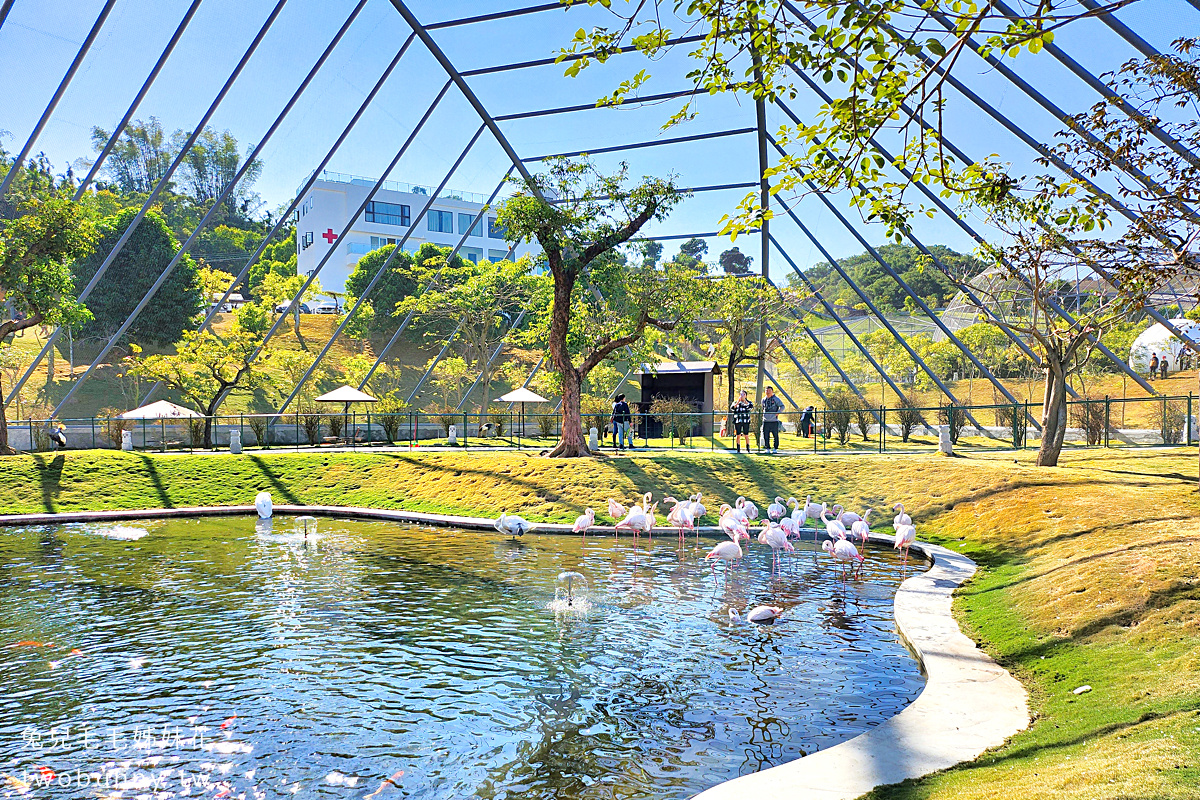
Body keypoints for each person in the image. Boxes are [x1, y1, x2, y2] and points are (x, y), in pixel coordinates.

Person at [761, 386, 784, 453]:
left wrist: (778, 412)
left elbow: (782, 406)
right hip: (766, 420)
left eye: (769, 390)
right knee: (766, 435)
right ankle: (767, 448)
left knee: (775, 435)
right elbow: (762, 408)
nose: (767, 392)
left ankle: (775, 448)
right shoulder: (763, 400)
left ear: (772, 391)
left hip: (774, 420)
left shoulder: (776, 399)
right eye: (766, 390)